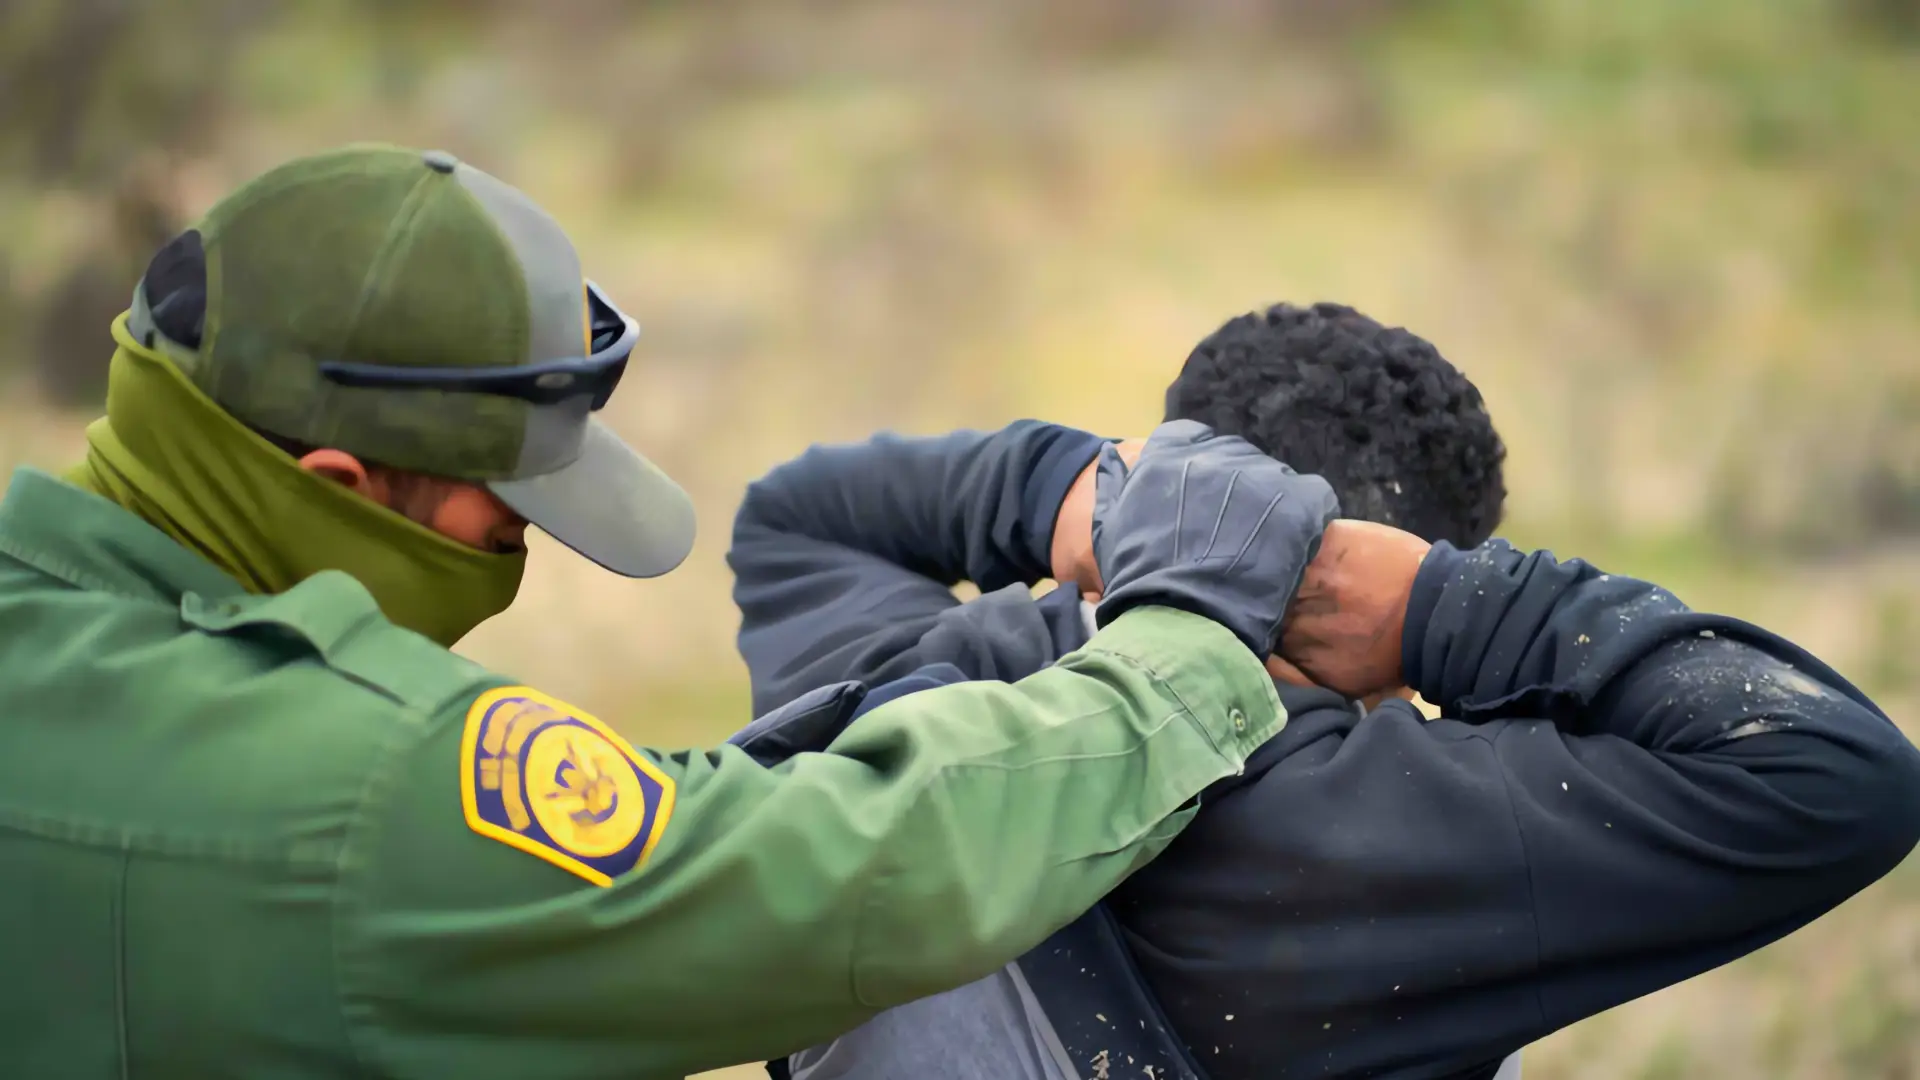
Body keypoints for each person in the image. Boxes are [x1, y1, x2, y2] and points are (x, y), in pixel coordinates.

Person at [0, 145, 1355, 1080]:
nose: (527, 537)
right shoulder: (350, 786)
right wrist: (1184, 645)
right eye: (506, 500)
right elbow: (819, 883)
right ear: (340, 483)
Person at [726, 303, 1920, 1079]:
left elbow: (802, 513)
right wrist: (1442, 611)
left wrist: (1076, 493)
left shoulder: (910, 686)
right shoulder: (1385, 834)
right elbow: (1835, 772)